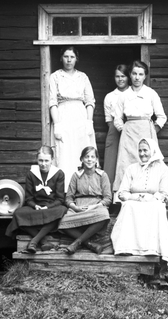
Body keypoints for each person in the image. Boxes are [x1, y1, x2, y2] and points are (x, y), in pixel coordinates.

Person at [111, 138, 168, 280]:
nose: (142, 154)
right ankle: (127, 248)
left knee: (157, 208)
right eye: (139, 150)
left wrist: (150, 198)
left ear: (153, 151)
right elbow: (122, 193)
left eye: (145, 150)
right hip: (134, 202)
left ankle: (152, 249)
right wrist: (135, 197)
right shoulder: (131, 168)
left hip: (152, 203)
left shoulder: (163, 169)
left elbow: (164, 194)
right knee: (128, 206)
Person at [112, 60, 166, 192]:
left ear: (145, 76)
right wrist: (124, 130)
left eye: (140, 74)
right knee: (126, 163)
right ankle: (124, 196)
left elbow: (161, 117)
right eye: (134, 74)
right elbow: (117, 118)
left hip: (146, 132)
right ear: (130, 75)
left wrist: (152, 130)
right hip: (129, 134)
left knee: (147, 162)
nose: (137, 77)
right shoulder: (124, 96)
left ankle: (148, 194)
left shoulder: (151, 93)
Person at [5, 146, 67, 253]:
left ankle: (34, 241)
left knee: (62, 210)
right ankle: (43, 242)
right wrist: (35, 205)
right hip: (36, 206)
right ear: (37, 160)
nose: (43, 164)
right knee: (18, 214)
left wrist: (47, 207)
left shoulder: (59, 174)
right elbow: (29, 198)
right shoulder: (31, 174)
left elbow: (60, 199)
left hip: (52, 206)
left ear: (52, 160)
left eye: (46, 160)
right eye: (40, 160)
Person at [48, 46, 95, 182]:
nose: (69, 60)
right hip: (63, 115)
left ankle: (84, 185)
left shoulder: (83, 77)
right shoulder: (55, 76)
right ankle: (65, 186)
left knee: (82, 148)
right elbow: (52, 102)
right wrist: (57, 124)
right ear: (61, 58)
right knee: (64, 150)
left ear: (76, 59)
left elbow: (90, 101)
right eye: (66, 56)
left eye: (72, 57)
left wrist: (89, 122)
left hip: (80, 116)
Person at [55, 145, 113, 254]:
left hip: (96, 206)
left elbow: (108, 198)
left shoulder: (102, 175)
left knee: (104, 215)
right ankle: (89, 244)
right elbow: (68, 198)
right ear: (82, 159)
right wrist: (75, 207)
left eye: (92, 157)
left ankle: (77, 242)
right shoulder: (76, 176)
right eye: (87, 157)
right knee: (62, 223)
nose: (89, 159)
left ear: (96, 160)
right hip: (79, 206)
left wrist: (95, 206)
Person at [102, 64, 130, 190]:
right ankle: (110, 193)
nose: (120, 79)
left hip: (130, 127)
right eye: (117, 76)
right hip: (114, 129)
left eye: (123, 76)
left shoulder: (132, 93)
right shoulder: (110, 96)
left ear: (128, 77)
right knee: (111, 160)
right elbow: (108, 120)